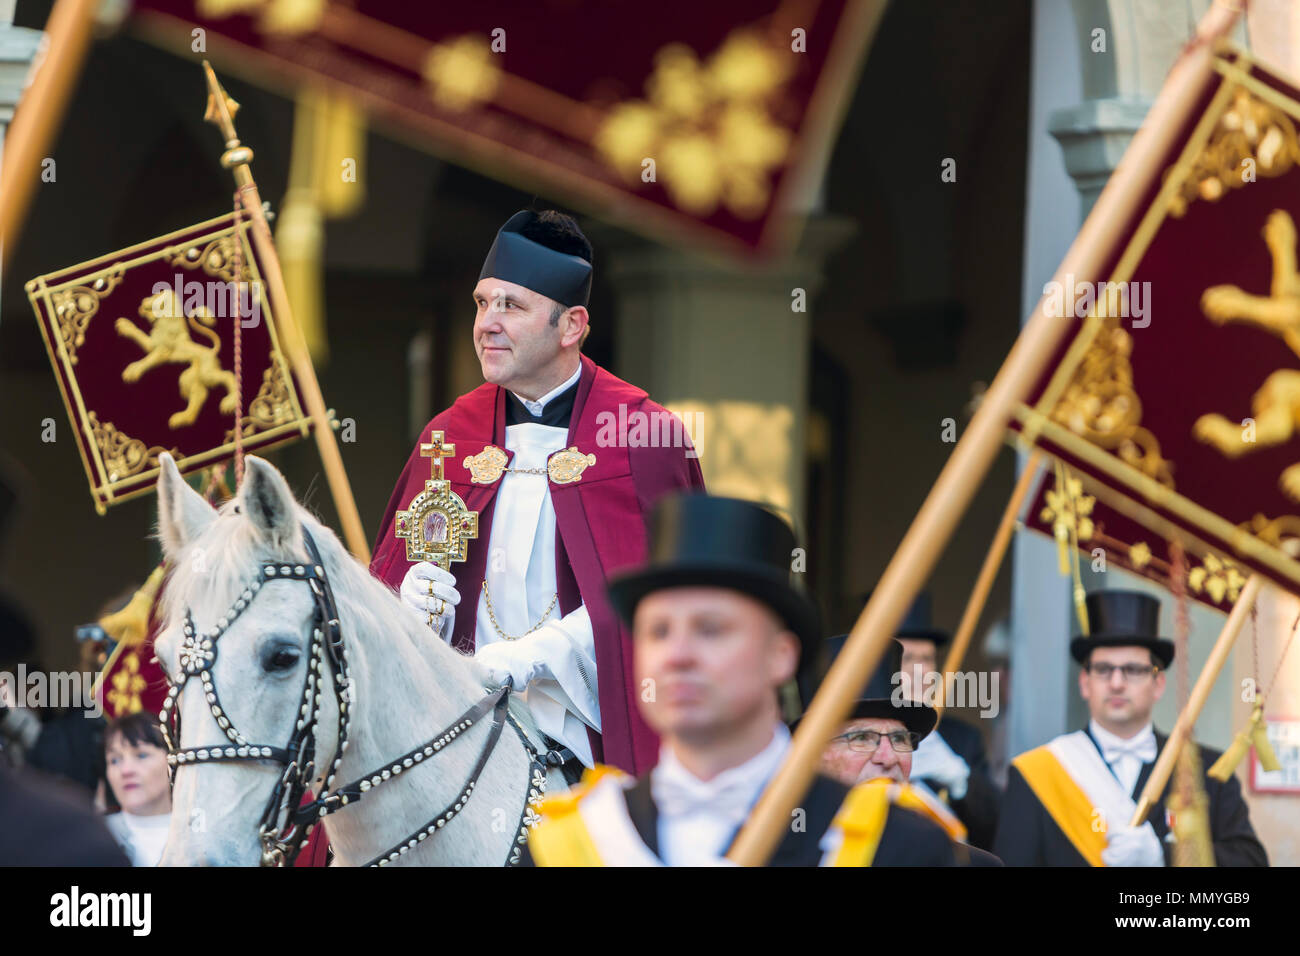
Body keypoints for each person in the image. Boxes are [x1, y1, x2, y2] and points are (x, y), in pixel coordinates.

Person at [371, 210, 704, 778]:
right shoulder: (448, 436)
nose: (487, 323)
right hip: (453, 741)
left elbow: (662, 609)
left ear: (571, 325)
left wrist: (534, 657)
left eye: (511, 306)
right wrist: (411, 608)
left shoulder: (643, 437)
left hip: (585, 752)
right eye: (482, 303)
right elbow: (381, 603)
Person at [523, 493, 956, 866]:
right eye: (658, 631)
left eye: (711, 629)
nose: (677, 655)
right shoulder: (570, 842)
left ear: (780, 656)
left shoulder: (898, 846)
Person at [993, 589, 1268, 867]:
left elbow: (1252, 863)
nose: (1116, 683)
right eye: (1103, 669)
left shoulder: (1207, 770)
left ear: (1158, 684)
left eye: (1133, 670)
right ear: (1084, 682)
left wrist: (1164, 856)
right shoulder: (1037, 773)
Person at [813, 633, 1001, 866]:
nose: (889, 757)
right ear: (810, 755)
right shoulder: (767, 851)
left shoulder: (970, 863)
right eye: (861, 737)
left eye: (899, 739)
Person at [892, 593, 1001, 849]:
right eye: (907, 659)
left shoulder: (962, 738)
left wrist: (960, 780)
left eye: (927, 659)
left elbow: (993, 829)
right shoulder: (850, 732)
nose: (920, 671)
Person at [102, 711, 172, 867]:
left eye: (141, 755)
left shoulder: (203, 834)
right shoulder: (93, 836)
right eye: (114, 760)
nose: (126, 771)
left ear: (171, 761)